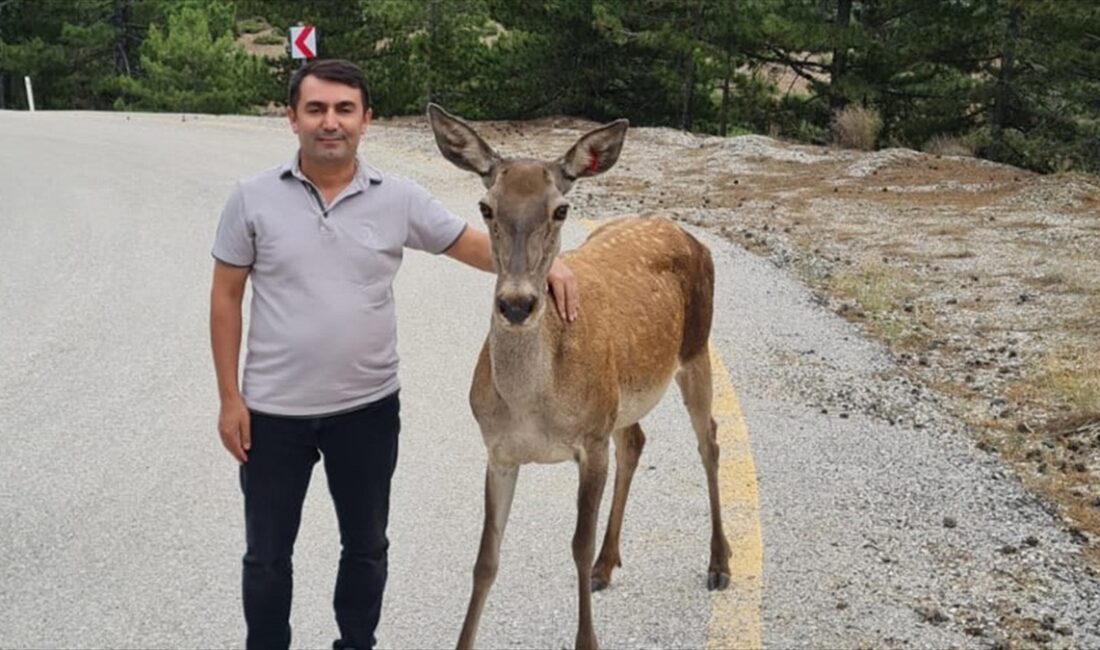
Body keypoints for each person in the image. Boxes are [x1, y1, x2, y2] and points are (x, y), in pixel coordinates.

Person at [209, 58, 579, 650]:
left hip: (367, 410)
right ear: (292, 118)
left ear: (365, 121)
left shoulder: (397, 198)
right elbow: (226, 299)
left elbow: (472, 244)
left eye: (344, 110)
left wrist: (545, 263)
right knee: (267, 556)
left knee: (366, 546)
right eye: (316, 109)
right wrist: (231, 399)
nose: (330, 122)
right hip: (272, 414)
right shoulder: (250, 200)